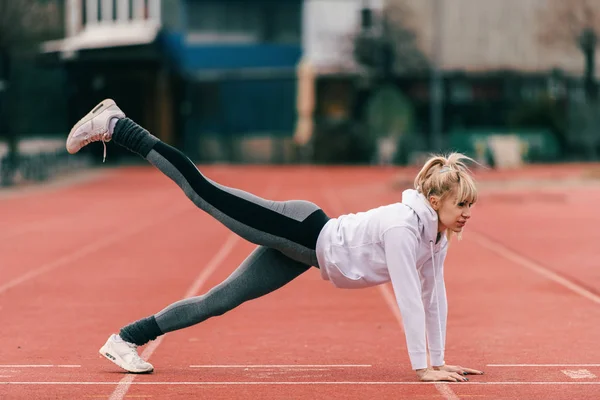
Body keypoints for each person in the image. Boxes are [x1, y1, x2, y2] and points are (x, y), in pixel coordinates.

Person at [66, 99, 483, 382]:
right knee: (203, 191)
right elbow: (410, 298)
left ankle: (124, 339)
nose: (467, 212)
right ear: (433, 200)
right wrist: (423, 368)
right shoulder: (403, 228)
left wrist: (440, 359)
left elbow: (434, 297)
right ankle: (118, 125)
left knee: (218, 301)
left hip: (306, 252)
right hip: (301, 230)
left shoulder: (436, 238)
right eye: (461, 203)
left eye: (470, 205)